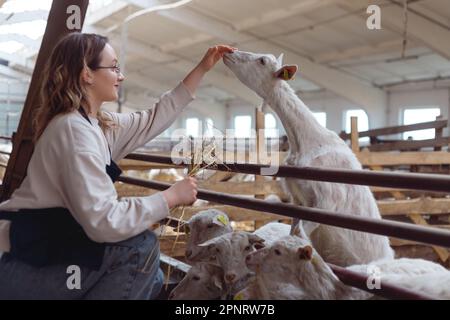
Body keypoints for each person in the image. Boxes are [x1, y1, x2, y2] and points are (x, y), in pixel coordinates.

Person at [0, 32, 236, 299]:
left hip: (43, 248)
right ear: (87, 74)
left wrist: (202, 68)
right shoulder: (73, 131)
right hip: (22, 263)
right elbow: (103, 221)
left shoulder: (96, 124)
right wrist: (169, 197)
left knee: (154, 276)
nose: (120, 76)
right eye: (113, 67)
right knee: (139, 248)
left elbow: (152, 118)